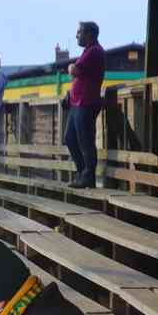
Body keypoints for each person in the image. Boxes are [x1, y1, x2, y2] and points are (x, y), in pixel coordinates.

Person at [64, 22, 105, 190]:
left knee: (85, 141)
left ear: (89, 34)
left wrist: (70, 67)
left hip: (86, 103)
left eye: (79, 32)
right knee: (70, 138)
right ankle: (83, 174)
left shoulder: (95, 51)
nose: (76, 36)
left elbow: (74, 70)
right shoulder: (87, 51)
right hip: (77, 103)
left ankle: (88, 177)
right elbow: (78, 73)